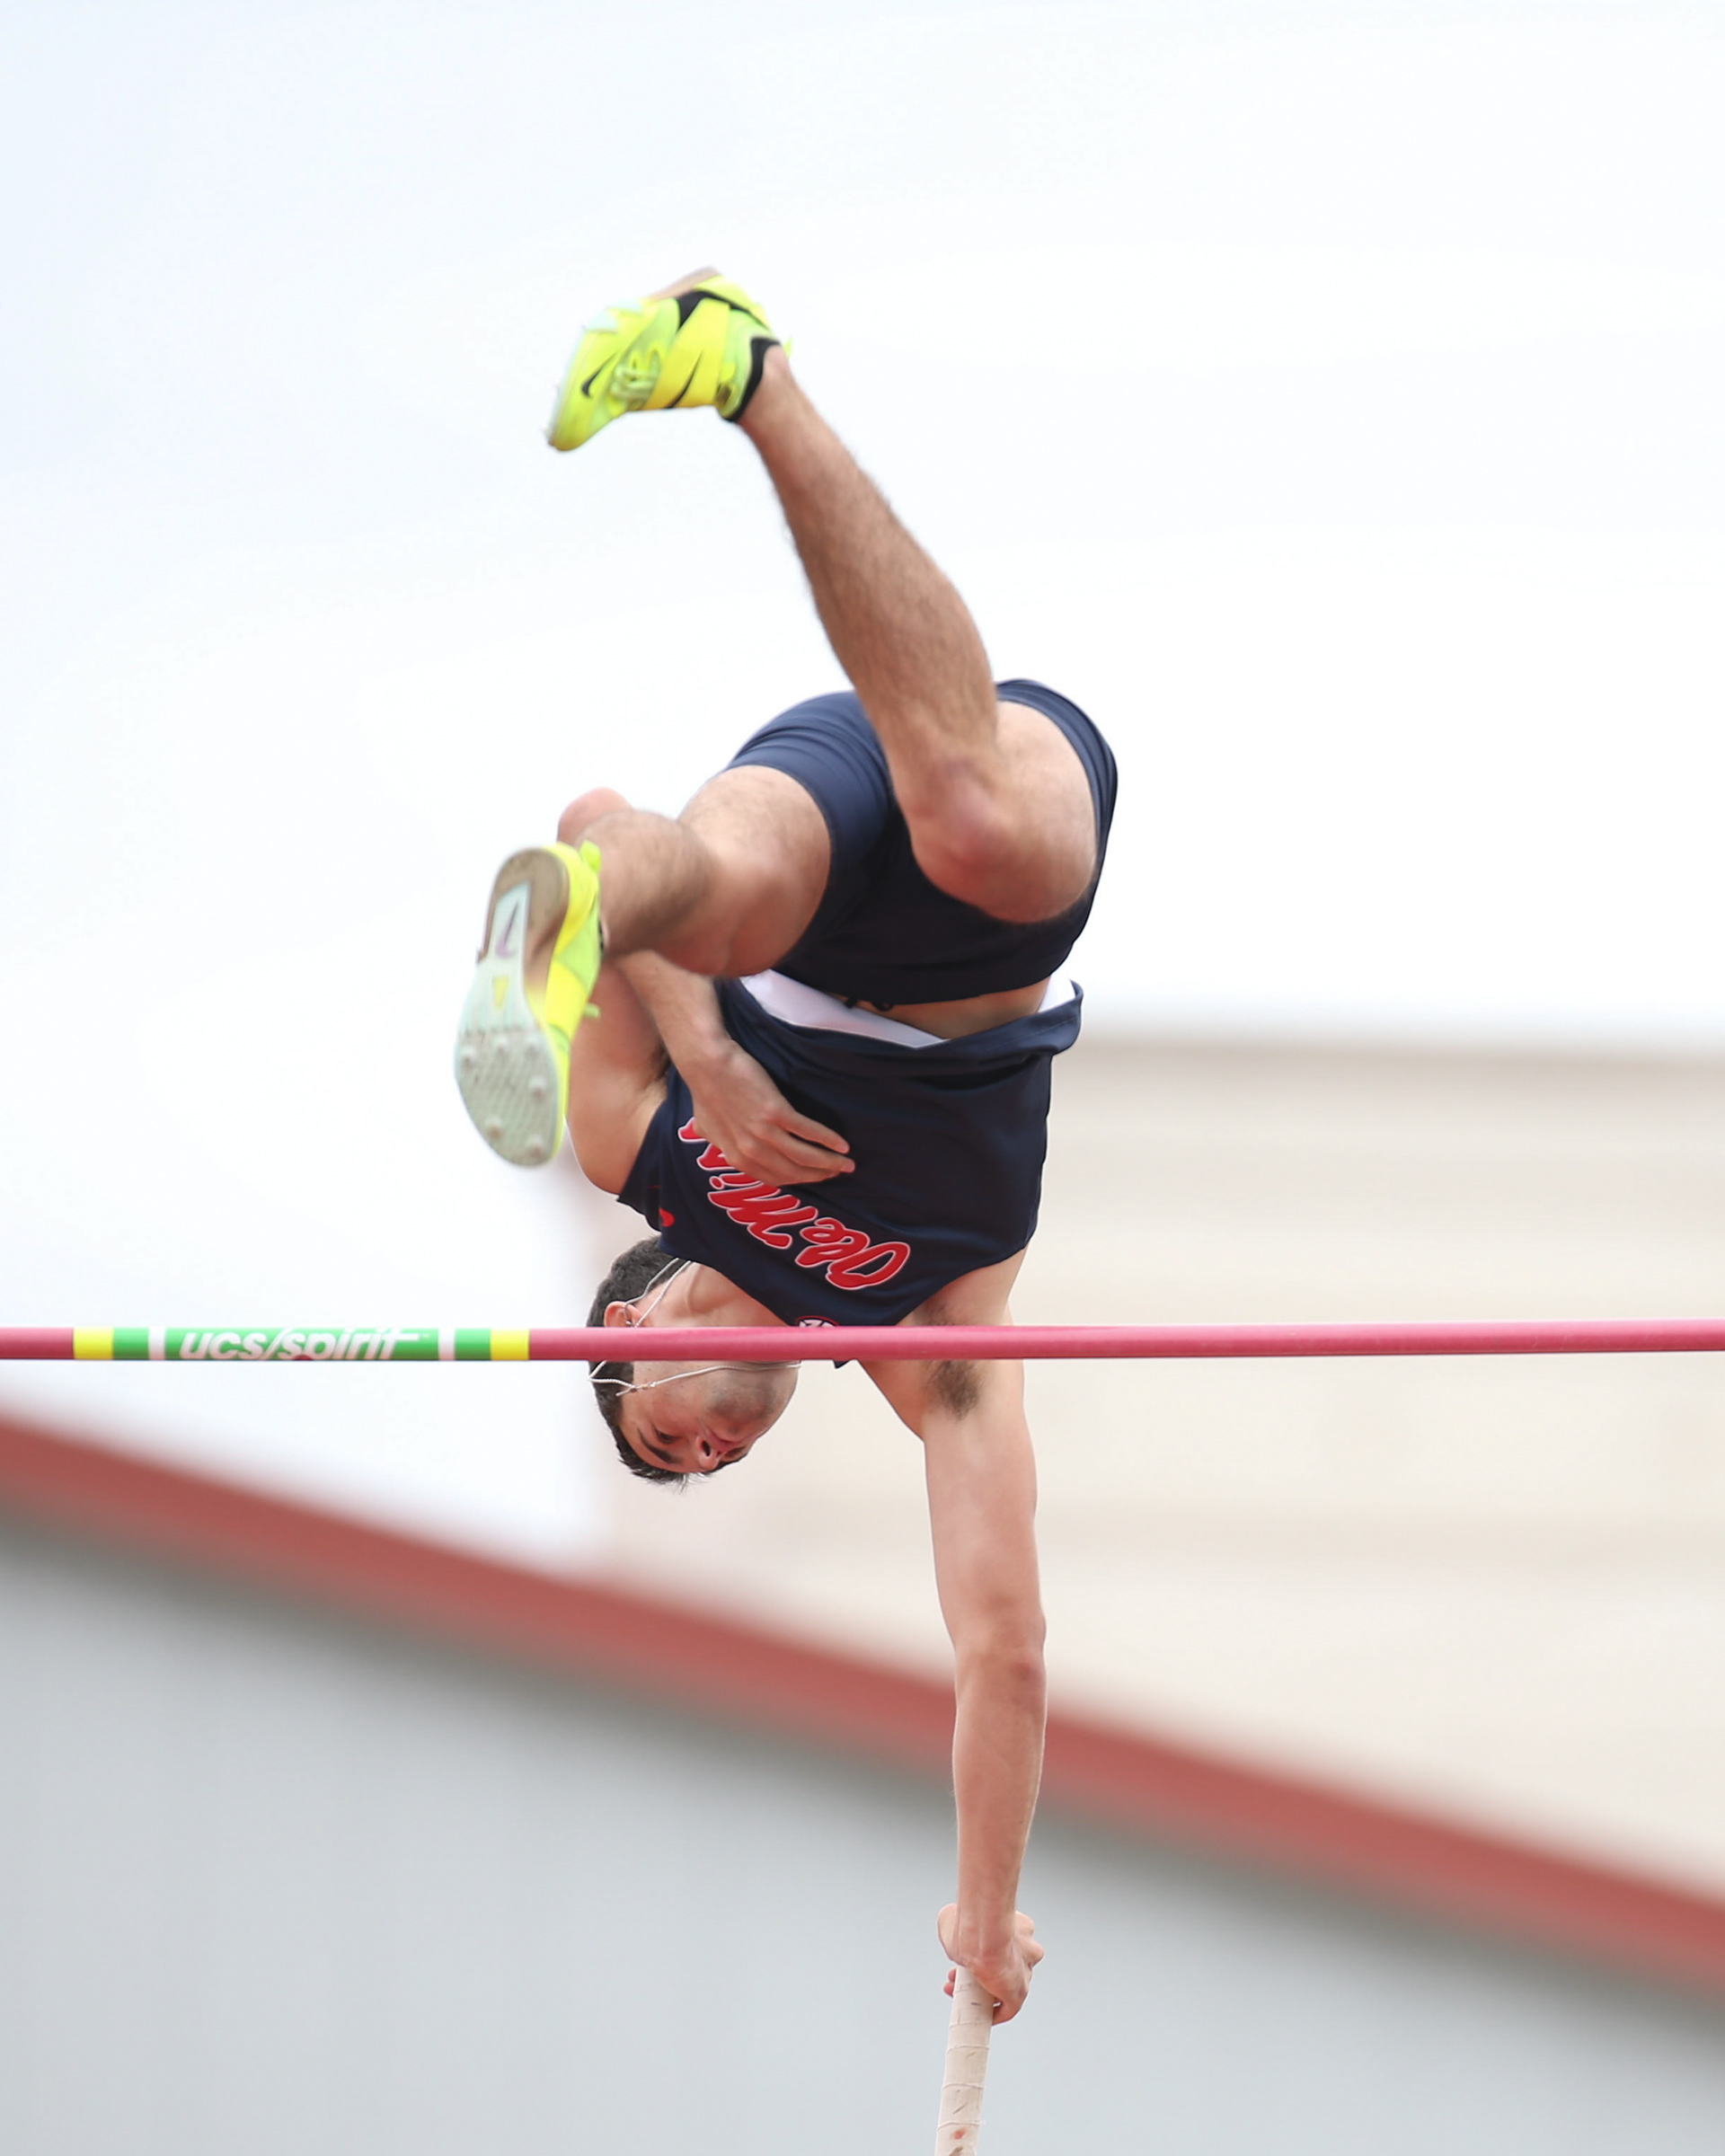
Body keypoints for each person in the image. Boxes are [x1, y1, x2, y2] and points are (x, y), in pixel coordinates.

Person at [452, 272, 1117, 2024]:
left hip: (799, 908)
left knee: (714, 891)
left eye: (661, 1433)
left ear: (633, 1322)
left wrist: (710, 1064)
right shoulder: (930, 1352)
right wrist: (987, 1916)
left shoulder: (632, 1145)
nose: (704, 1451)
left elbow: (599, 803)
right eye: (701, 1471)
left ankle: (562, 913)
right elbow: (1003, 1647)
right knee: (971, 825)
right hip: (991, 938)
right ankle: (752, 373)